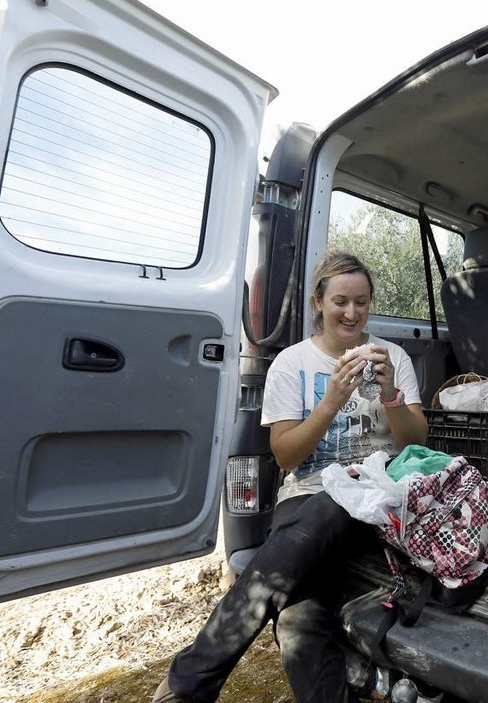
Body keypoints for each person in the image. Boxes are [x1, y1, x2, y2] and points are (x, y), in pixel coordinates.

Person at [154, 252, 428, 703]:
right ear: (319, 303)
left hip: (378, 497)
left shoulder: (392, 357)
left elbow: (418, 442)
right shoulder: (292, 364)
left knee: (335, 509)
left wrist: (391, 393)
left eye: (362, 302)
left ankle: (188, 681)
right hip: (308, 496)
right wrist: (331, 401)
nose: (352, 313)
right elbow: (286, 456)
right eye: (340, 301)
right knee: (298, 614)